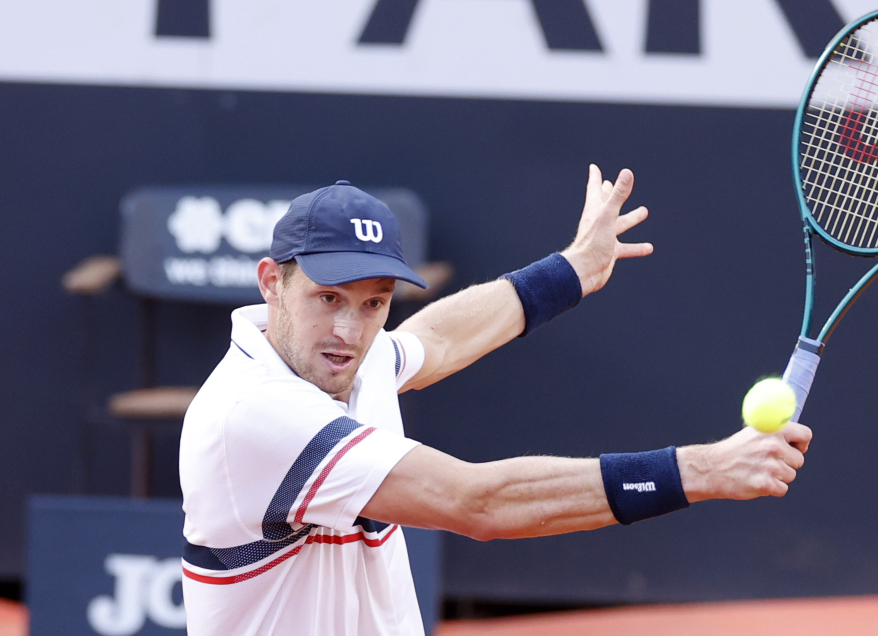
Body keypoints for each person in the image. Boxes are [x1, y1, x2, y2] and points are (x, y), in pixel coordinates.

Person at [179, 167, 812, 636]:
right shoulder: (254, 414)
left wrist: (573, 269)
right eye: (329, 298)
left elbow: (435, 339)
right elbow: (477, 501)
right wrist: (705, 470)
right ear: (272, 283)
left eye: (373, 302)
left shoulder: (344, 358)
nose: (350, 329)